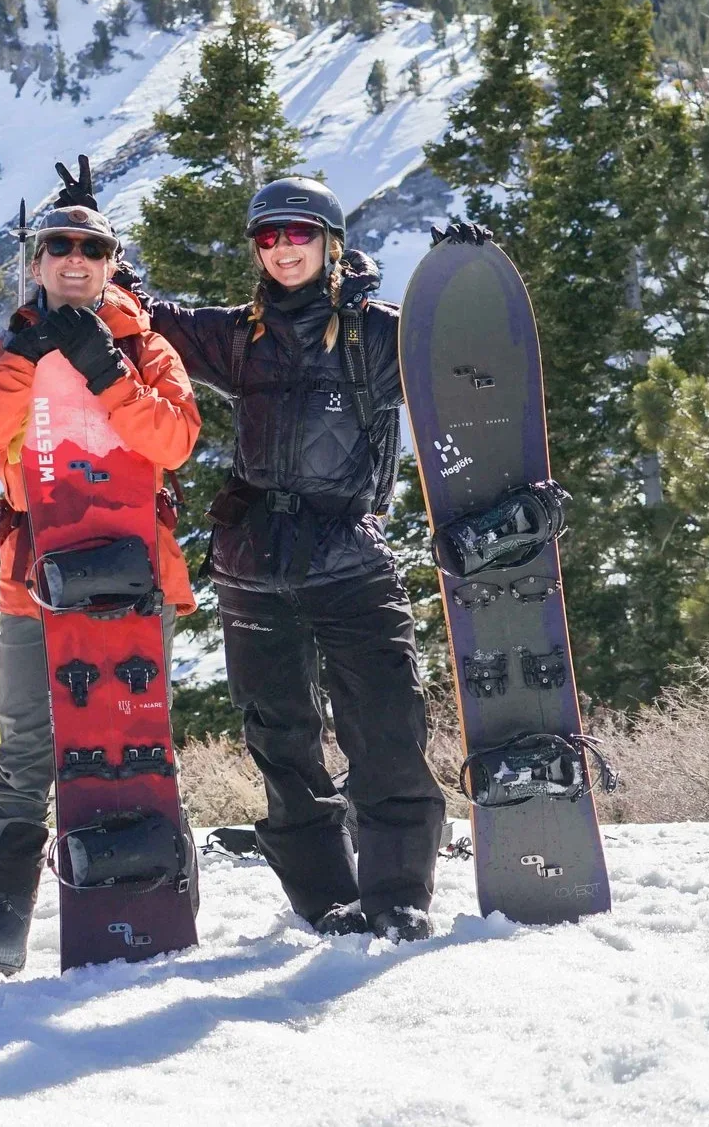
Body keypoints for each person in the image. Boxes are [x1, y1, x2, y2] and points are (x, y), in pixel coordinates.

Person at [145, 175, 447, 942]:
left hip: (350, 556)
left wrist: (462, 294)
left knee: (385, 724)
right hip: (254, 564)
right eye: (269, 237)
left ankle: (398, 893)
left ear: (330, 243)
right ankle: (323, 900)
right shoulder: (238, 334)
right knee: (280, 739)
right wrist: (96, 247)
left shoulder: (379, 334)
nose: (284, 249)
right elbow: (151, 322)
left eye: (299, 234)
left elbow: (458, 369)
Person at [0, 164, 203, 972]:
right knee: (26, 750)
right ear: (37, 261)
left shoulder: (146, 346)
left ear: (111, 261)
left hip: (135, 575)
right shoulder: (4, 344)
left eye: (91, 246)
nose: (74, 259)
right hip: (34, 580)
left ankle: (157, 901)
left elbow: (176, 440)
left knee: (136, 740)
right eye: (59, 246)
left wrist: (109, 369)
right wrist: (29, 349)